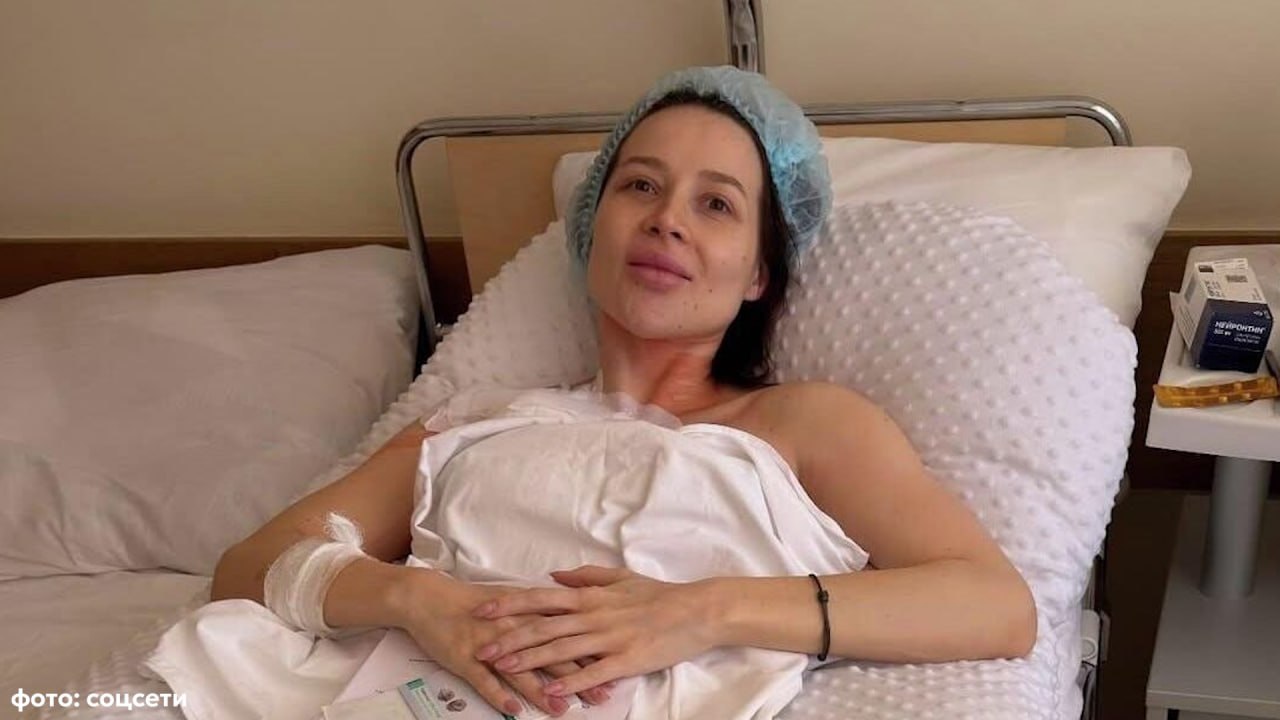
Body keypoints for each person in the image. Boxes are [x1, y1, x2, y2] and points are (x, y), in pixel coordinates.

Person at [211, 66, 1036, 719]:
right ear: (591, 227)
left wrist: (705, 612)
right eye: (640, 185)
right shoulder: (479, 419)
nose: (667, 219)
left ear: (758, 272)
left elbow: (994, 604)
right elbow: (249, 568)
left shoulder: (803, 423)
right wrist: (414, 598)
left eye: (716, 204)